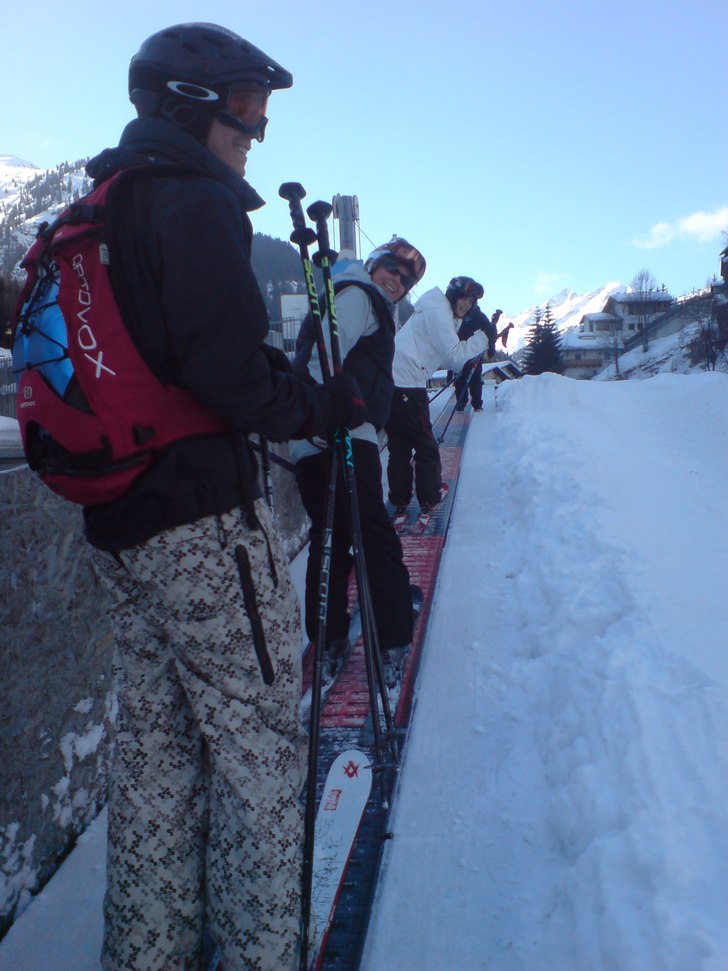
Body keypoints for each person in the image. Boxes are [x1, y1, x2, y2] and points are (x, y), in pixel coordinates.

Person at [33, 23, 364, 971]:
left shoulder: (104, 203)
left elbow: (175, 348)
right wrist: (322, 405)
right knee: (259, 740)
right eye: (248, 109)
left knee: (157, 747)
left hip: (122, 519)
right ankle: (262, 953)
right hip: (201, 520)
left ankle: (148, 953)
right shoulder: (194, 204)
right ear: (193, 105)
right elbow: (229, 373)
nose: (256, 134)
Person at [291, 237, 426, 688]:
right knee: (374, 539)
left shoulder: (345, 292)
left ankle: (327, 640)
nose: (398, 282)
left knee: (331, 538)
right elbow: (323, 359)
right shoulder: (359, 296)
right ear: (374, 263)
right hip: (344, 434)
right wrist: (333, 417)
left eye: (406, 281)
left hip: (316, 437)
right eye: (393, 269)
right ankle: (392, 641)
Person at [386, 276, 489, 516]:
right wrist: (484, 337)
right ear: (453, 295)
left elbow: (442, 356)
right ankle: (429, 499)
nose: (467, 305)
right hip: (407, 381)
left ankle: (400, 501)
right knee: (426, 446)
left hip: (393, 381)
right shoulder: (439, 312)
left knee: (399, 447)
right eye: (464, 299)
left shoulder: (433, 308)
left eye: (471, 302)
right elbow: (453, 357)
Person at [453, 303, 502, 411]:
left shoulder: (478, 315)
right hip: (459, 351)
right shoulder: (457, 313)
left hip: (474, 353)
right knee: (460, 378)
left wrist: (491, 350)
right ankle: (461, 402)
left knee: (474, 378)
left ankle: (476, 404)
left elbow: (491, 333)